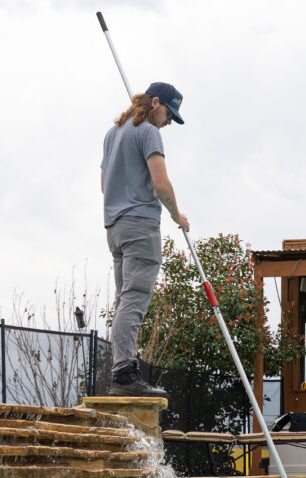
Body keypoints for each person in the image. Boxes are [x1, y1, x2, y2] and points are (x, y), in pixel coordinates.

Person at [100, 82, 189, 397]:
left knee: (124, 300)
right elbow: (161, 182)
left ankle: (123, 369)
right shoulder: (149, 132)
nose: (168, 122)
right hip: (140, 227)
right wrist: (178, 215)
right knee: (134, 300)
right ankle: (124, 375)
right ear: (155, 102)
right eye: (168, 113)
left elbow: (104, 185)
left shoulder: (113, 134)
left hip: (115, 227)